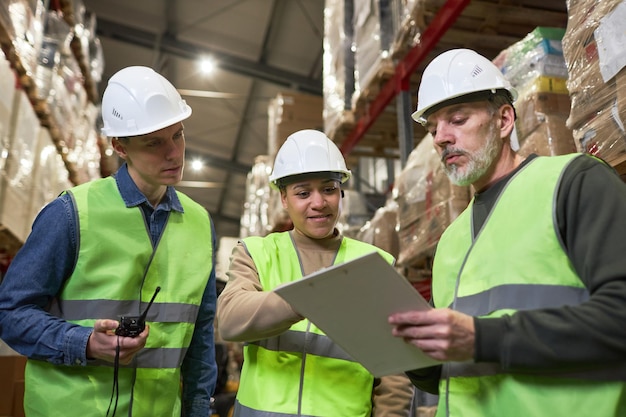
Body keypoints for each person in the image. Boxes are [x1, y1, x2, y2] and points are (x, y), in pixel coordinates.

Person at [388, 48, 626, 416]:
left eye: (458, 119)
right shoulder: (451, 240)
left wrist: (483, 338)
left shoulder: (573, 182)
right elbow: (450, 373)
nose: (440, 138)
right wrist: (413, 356)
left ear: (503, 120)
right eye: (434, 127)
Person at [0, 66, 218, 417]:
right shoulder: (71, 213)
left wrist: (197, 410)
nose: (174, 153)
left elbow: (200, 336)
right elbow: (10, 313)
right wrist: (86, 343)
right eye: (154, 143)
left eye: (177, 136)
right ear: (119, 146)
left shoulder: (200, 224)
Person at [217, 129, 414, 417]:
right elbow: (230, 321)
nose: (319, 202)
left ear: (341, 191)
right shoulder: (257, 253)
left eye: (329, 189)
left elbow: (394, 376)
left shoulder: (373, 263)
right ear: (283, 198)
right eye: (303, 193)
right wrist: (308, 298)